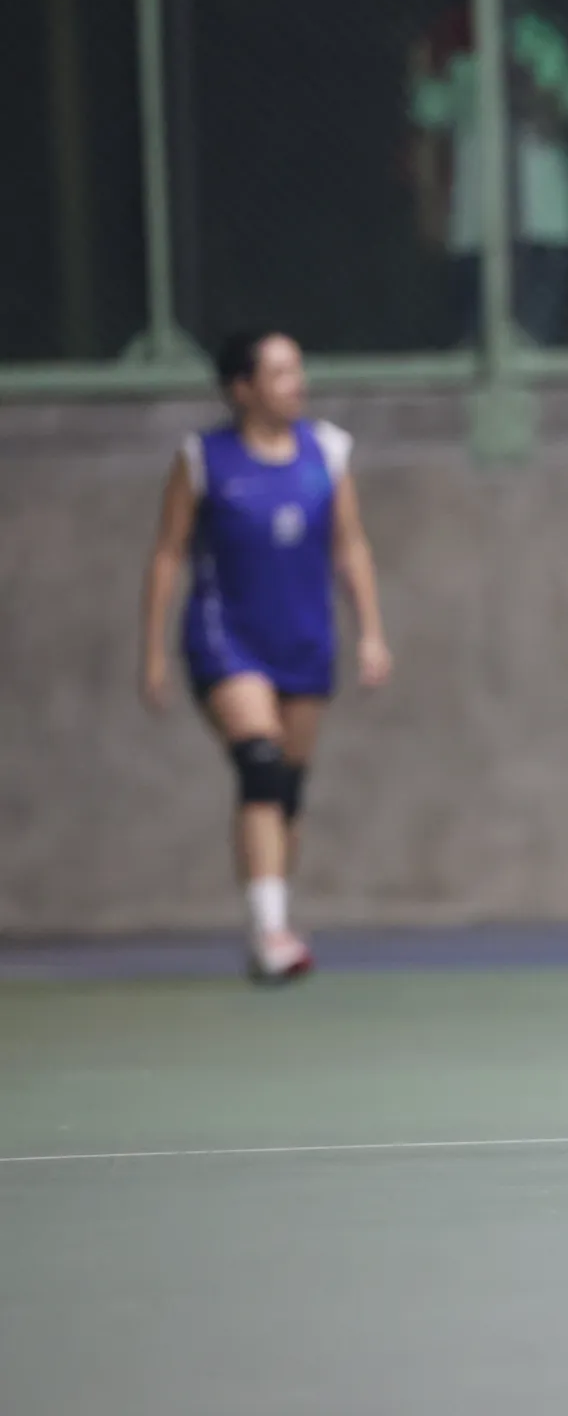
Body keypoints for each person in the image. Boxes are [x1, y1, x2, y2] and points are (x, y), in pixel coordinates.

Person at [138, 332, 393, 981]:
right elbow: (168, 552)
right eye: (279, 373)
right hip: (227, 638)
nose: (295, 383)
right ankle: (273, 930)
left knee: (286, 790)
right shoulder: (204, 460)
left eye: (297, 369)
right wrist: (153, 650)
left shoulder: (326, 452)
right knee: (259, 762)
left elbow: (350, 544)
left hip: (303, 640)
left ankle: (268, 924)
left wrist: (370, 631)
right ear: (243, 389)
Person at [408, 0, 568, 345]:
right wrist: (430, 205)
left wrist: (536, 98)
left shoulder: (552, 38)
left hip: (544, 217)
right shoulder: (451, 39)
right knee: (476, 342)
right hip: (474, 218)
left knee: (535, 342)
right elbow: (428, 126)